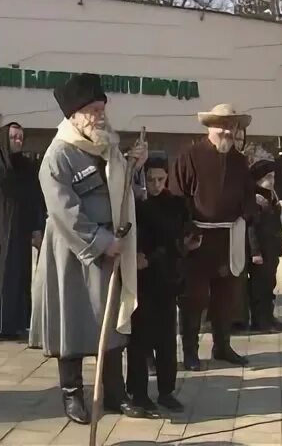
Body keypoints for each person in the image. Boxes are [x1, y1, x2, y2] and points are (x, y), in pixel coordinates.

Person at [29, 73, 148, 424]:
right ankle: (72, 395)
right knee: (73, 322)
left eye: (102, 108)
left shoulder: (107, 145)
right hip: (72, 253)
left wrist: (134, 166)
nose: (100, 115)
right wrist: (101, 241)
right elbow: (63, 210)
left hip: (112, 249)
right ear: (75, 115)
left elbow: (125, 191)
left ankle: (113, 392)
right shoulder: (58, 155)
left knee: (109, 320)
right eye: (93, 110)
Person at [169, 103, 257, 371]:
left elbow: (247, 198)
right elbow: (176, 197)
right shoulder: (190, 156)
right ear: (209, 126)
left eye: (231, 125)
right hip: (198, 239)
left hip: (229, 238)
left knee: (226, 296)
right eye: (221, 125)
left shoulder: (240, 161)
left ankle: (222, 346)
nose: (227, 130)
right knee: (194, 299)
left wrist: (249, 225)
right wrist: (186, 233)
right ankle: (191, 352)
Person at [126, 157, 199, 415]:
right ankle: (139, 393)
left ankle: (167, 391)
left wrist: (190, 241)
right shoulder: (135, 205)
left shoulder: (176, 204)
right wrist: (136, 256)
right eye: (151, 179)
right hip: (143, 280)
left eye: (160, 179)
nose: (156, 184)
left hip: (168, 277)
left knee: (167, 340)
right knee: (140, 340)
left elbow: (186, 231)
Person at [0, 123, 44, 342]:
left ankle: (14, 325)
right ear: (4, 139)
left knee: (17, 277)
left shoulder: (27, 167)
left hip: (19, 231)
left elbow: (35, 199)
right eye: (14, 137)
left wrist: (37, 228)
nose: (18, 141)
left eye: (21, 137)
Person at [247, 156, 282, 333]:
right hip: (261, 251)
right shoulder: (255, 200)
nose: (271, 181)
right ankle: (259, 320)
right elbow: (251, 229)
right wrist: (255, 252)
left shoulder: (272, 197)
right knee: (259, 288)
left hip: (271, 249)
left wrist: (281, 244)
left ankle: (269, 317)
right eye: (267, 177)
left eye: (273, 176)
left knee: (269, 285)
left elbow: (277, 225)